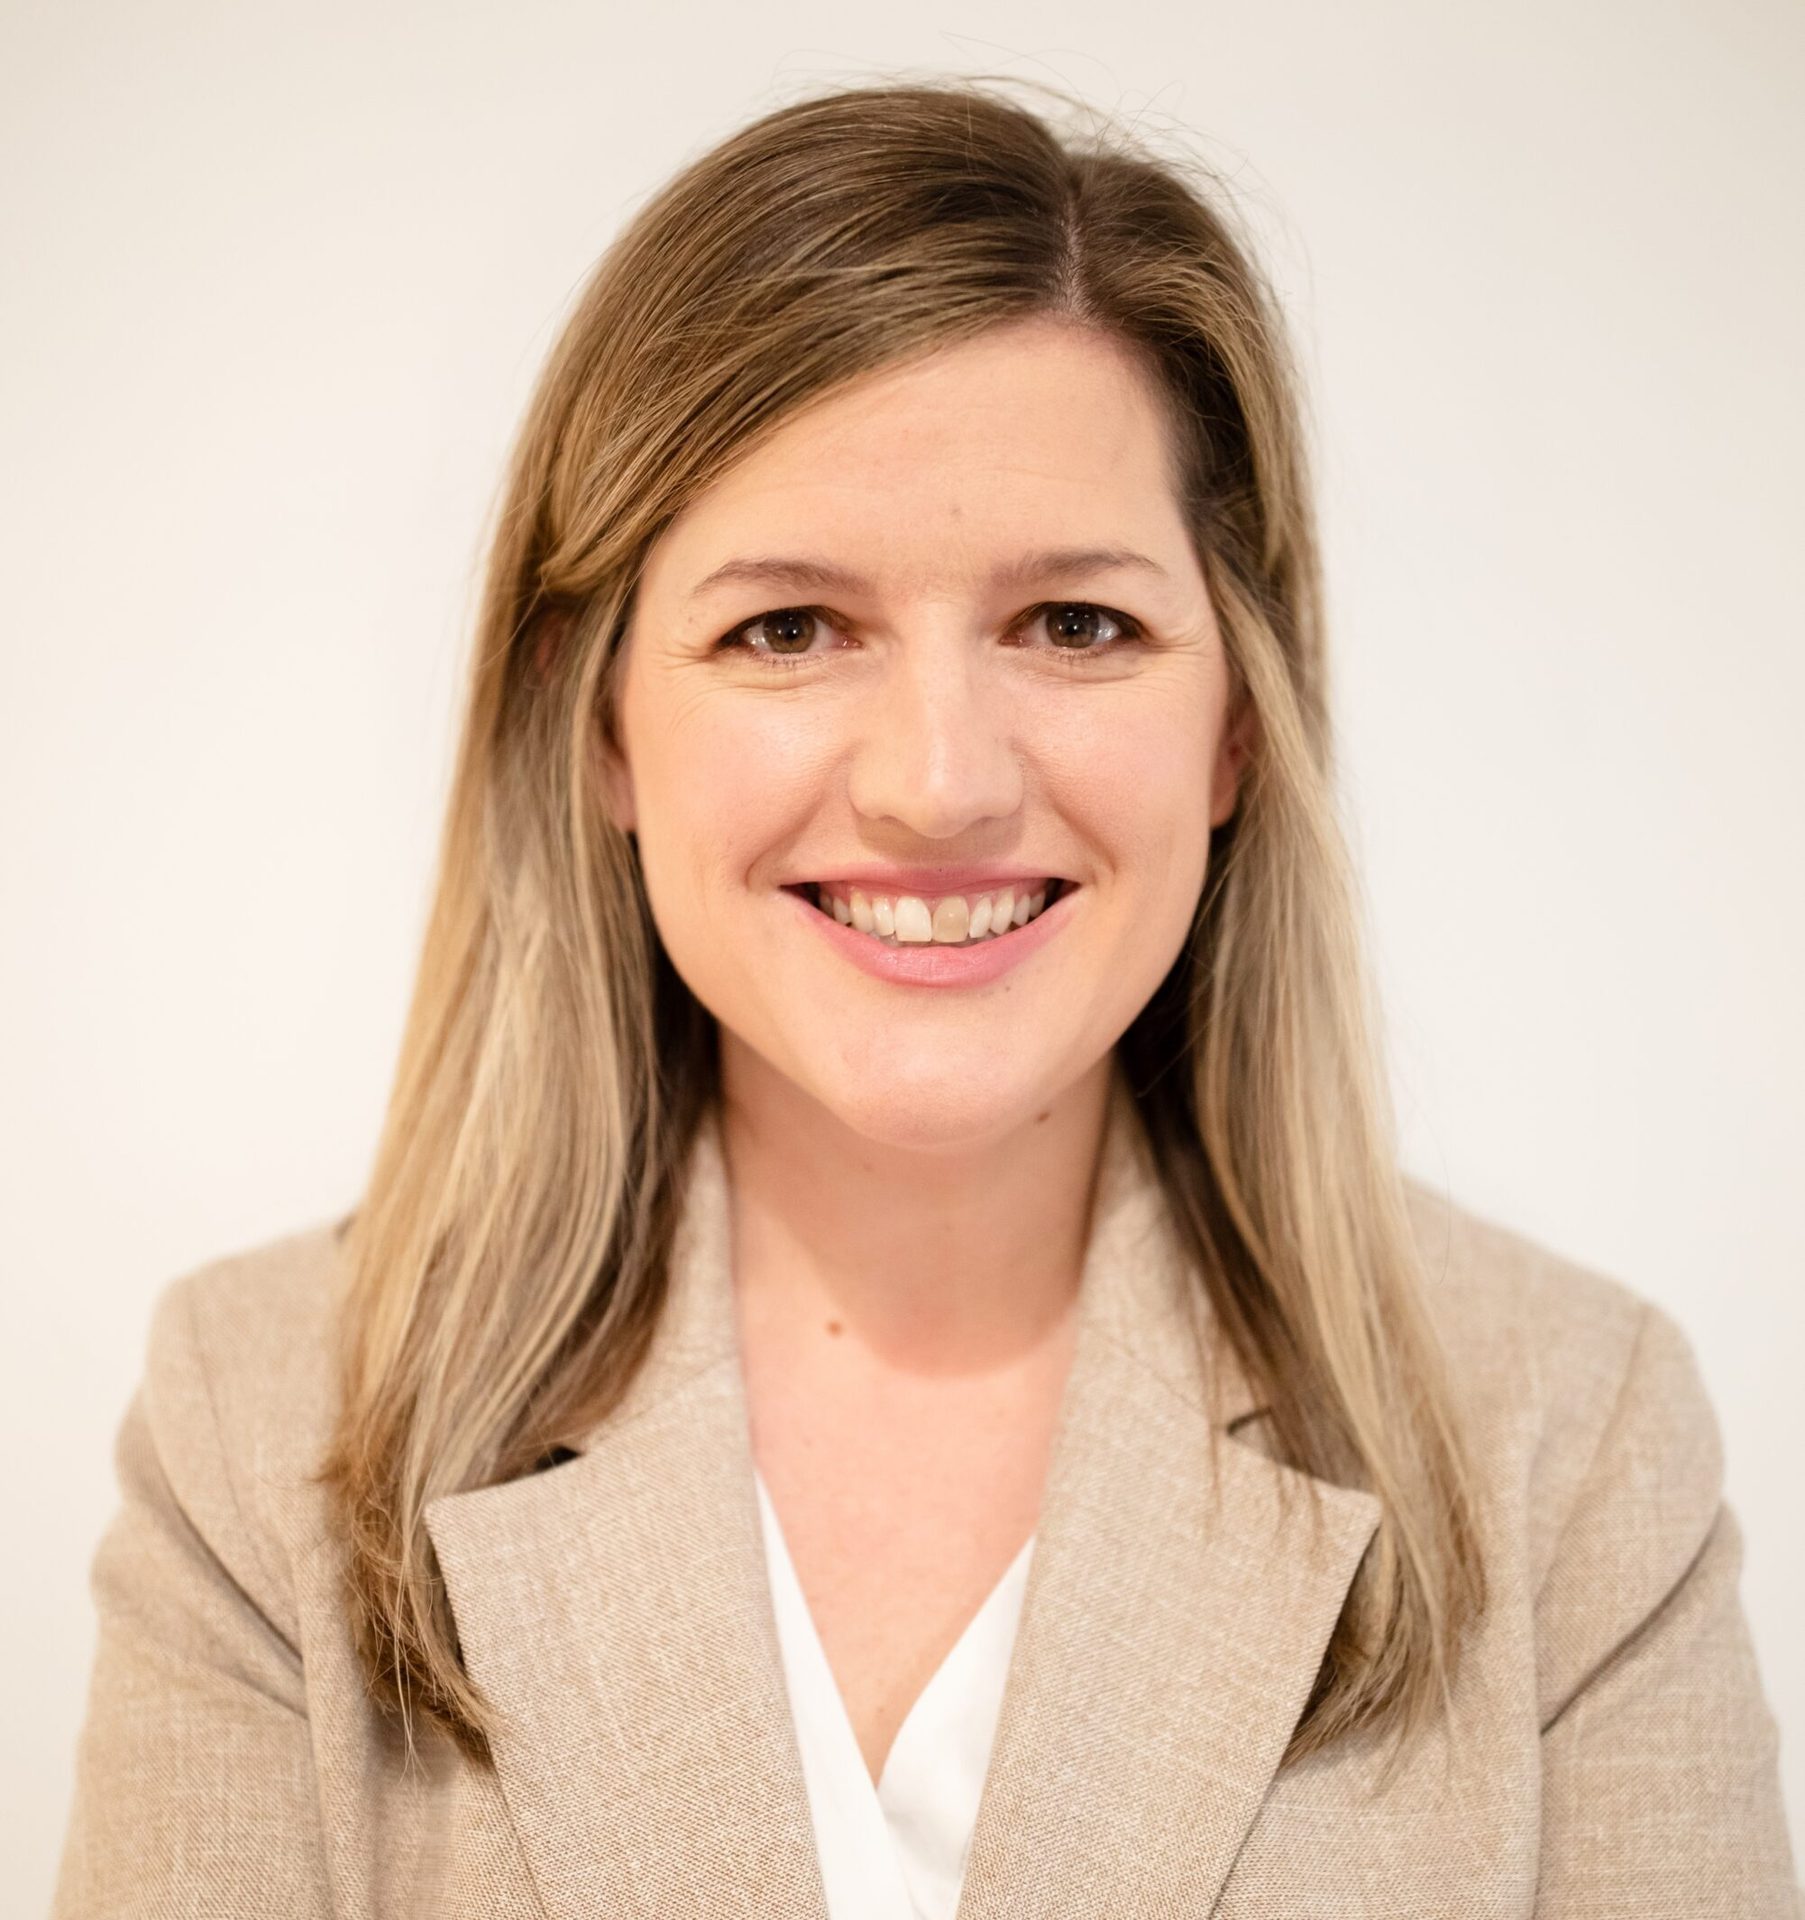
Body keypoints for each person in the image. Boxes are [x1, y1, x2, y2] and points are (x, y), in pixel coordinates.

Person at [52, 77, 1799, 1919]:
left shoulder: (1567, 1437)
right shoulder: (267, 1435)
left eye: (1076, 625)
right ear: (600, 722)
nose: (939, 780)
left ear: (1234, 722)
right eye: (787, 629)